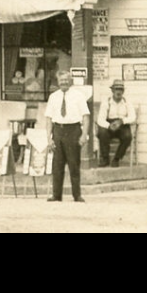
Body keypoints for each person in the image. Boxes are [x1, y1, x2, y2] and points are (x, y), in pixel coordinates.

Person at [44, 70, 90, 202]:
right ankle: (56, 195)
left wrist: (84, 135)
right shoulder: (53, 97)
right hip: (58, 130)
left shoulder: (78, 96)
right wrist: (49, 138)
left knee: (74, 164)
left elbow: (86, 116)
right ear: (58, 82)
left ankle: (77, 195)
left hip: (73, 130)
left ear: (70, 81)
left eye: (66, 80)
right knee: (57, 165)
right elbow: (48, 119)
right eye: (61, 80)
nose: (63, 82)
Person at [96, 79, 137, 167]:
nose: (118, 92)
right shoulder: (106, 102)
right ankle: (105, 159)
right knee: (102, 133)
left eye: (120, 89)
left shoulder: (127, 102)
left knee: (128, 137)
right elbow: (100, 119)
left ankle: (117, 159)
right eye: (116, 89)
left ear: (123, 91)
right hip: (109, 124)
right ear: (112, 90)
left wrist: (122, 121)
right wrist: (109, 125)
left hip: (122, 125)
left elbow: (133, 117)